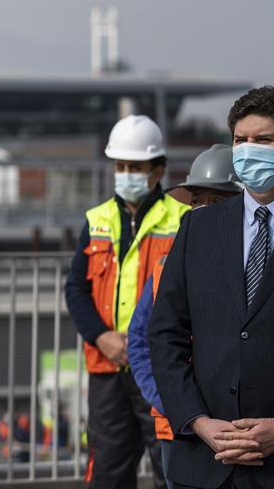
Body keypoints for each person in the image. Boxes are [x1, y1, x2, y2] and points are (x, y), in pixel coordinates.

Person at [150, 86, 274, 488]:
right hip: (205, 462)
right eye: (240, 140)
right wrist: (198, 422)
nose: (249, 150)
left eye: (263, 140)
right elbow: (164, 335)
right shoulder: (199, 227)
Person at [64, 114, 188, 489]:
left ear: (158, 170)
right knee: (107, 472)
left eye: (135, 166)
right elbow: (76, 289)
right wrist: (101, 337)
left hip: (159, 367)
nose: (126, 173)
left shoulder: (183, 219)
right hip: (108, 368)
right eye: (120, 166)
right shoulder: (97, 220)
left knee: (170, 468)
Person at [126, 144, 241, 489]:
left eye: (215, 201)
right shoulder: (167, 268)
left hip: (239, 431)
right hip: (178, 429)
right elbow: (142, 343)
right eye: (196, 201)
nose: (203, 210)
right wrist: (178, 405)